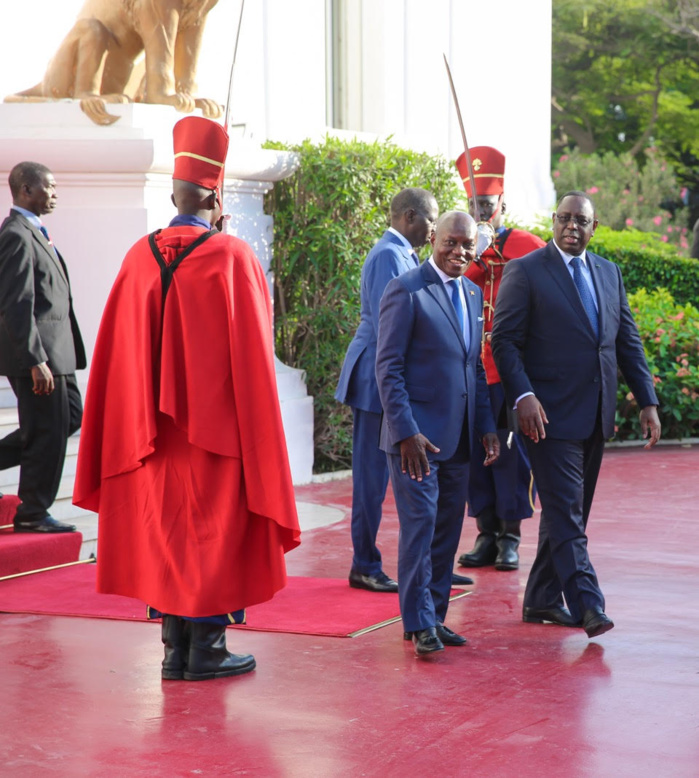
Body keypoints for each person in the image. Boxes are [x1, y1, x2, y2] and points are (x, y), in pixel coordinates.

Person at [73, 116, 301, 680]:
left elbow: (115, 357)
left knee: (165, 532)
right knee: (211, 535)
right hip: (217, 436)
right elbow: (253, 356)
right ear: (216, 196)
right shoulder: (231, 257)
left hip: (147, 436)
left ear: (173, 192)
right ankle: (208, 649)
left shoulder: (136, 257)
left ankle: (175, 650)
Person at [491, 191, 661, 638]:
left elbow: (627, 341)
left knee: (571, 514)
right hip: (544, 417)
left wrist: (647, 401)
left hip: (595, 414)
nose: (571, 226)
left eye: (580, 221)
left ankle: (542, 598)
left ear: (594, 226)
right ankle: (589, 604)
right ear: (553, 221)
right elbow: (504, 341)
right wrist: (523, 395)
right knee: (566, 512)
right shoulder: (525, 271)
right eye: (564, 218)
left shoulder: (608, 273)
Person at [376, 211, 499, 656]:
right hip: (415, 443)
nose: (459, 252)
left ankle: (437, 616)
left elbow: (474, 371)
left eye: (468, 246)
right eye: (451, 242)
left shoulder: (471, 292)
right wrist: (406, 432)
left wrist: (486, 426)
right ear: (433, 238)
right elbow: (387, 369)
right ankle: (418, 622)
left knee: (447, 531)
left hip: (459, 439)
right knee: (421, 528)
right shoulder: (406, 290)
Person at [335, 188, 440, 594]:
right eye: (431, 220)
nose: (433, 229)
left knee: (380, 479)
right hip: (373, 382)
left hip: (382, 379)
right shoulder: (387, 256)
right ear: (409, 216)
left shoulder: (402, 254)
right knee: (370, 480)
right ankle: (364, 565)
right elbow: (388, 327)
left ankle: (415, 564)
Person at [453, 146, 546, 572]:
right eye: (474, 206)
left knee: (510, 456)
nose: (480, 213)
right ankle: (485, 533)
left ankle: (510, 537)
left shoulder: (528, 246)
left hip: (509, 368)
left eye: (486, 206)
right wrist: (475, 253)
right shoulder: (461, 247)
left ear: (502, 205)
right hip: (471, 368)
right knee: (474, 453)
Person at [0, 161, 85, 533]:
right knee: (46, 430)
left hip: (57, 353)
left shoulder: (35, 230)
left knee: (69, 417)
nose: (54, 193)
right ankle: (33, 511)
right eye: (48, 187)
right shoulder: (16, 235)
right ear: (26, 190)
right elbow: (16, 303)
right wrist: (35, 360)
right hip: (39, 357)